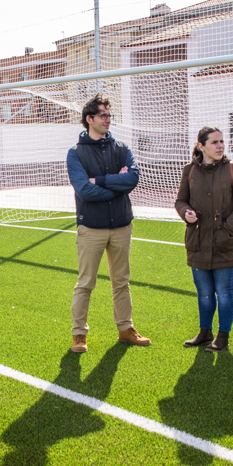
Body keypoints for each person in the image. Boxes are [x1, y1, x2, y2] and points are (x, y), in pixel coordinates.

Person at [65, 94, 150, 353]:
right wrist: (116, 187)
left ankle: (126, 329)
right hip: (91, 228)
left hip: (122, 226)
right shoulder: (76, 153)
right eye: (103, 115)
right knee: (86, 283)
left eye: (109, 115)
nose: (108, 119)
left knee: (121, 281)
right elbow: (83, 190)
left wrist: (99, 181)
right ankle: (79, 334)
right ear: (89, 119)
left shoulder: (122, 148)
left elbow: (132, 180)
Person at [174, 126, 233, 352]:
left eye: (221, 141)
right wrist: (186, 214)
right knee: (204, 293)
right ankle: (205, 332)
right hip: (197, 242)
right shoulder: (189, 170)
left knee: (225, 291)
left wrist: (226, 231)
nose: (220, 146)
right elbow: (180, 201)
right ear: (201, 146)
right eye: (214, 142)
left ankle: (223, 336)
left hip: (227, 243)